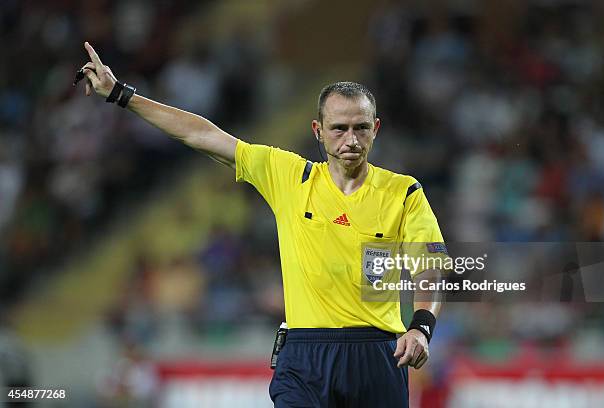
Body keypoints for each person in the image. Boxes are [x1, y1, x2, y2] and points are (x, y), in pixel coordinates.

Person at [78, 41, 446, 407]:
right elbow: (202, 134)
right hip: (305, 357)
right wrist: (121, 94)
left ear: (376, 129)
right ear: (318, 130)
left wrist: (421, 326)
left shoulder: (403, 192)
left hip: (377, 353)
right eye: (339, 128)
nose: (350, 139)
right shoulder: (288, 176)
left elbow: (430, 265)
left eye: (361, 128)